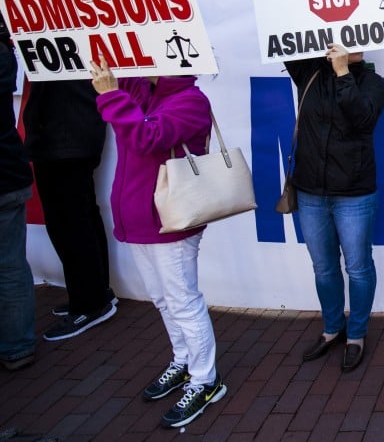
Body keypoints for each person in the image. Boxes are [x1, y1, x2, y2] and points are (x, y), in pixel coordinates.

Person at [90, 58, 226, 429]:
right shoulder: (140, 89)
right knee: (164, 300)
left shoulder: (191, 100)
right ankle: (183, 362)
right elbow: (117, 81)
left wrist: (111, 96)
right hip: (138, 220)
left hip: (171, 224)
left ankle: (205, 381)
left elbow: (147, 136)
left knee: (183, 301)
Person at [285, 44, 384, 372]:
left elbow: (362, 118)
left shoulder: (374, 83)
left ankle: (355, 334)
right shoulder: (308, 73)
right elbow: (285, 33)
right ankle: (332, 329)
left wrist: (343, 72)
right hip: (311, 193)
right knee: (324, 268)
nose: (349, 46)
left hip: (354, 195)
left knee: (357, 268)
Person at [24, 79, 117, 341]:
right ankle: (95, 293)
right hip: (70, 132)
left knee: (69, 220)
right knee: (81, 213)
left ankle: (89, 303)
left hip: (61, 135)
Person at [0, 23, 36, 371]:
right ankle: (17, 346)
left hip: (9, 174)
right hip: (9, 172)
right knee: (10, 265)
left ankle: (17, 346)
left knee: (10, 266)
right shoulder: (6, 56)